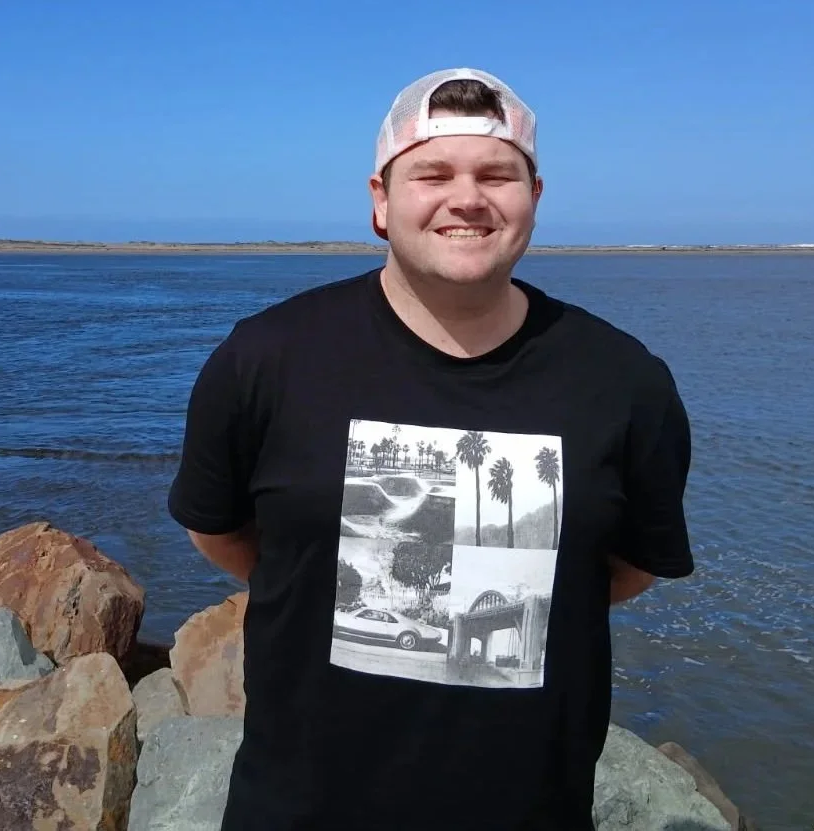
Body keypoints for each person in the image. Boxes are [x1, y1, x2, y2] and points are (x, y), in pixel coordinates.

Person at [168, 67, 695, 831]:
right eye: (432, 173)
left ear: (533, 200)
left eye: (495, 174)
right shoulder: (265, 359)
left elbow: (625, 569)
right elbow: (219, 531)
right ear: (381, 200)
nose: (466, 197)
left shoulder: (624, 383)